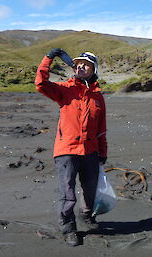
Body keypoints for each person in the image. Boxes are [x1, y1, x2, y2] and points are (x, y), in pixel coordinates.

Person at [35, 48, 107, 247]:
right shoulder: (65, 89)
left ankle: (86, 217)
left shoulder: (98, 97)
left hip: (90, 151)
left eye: (87, 64)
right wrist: (48, 57)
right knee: (68, 193)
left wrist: (103, 153)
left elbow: (101, 129)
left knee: (90, 189)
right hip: (66, 151)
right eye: (79, 63)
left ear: (94, 70)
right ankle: (68, 228)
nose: (81, 66)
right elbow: (40, 84)